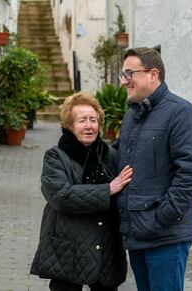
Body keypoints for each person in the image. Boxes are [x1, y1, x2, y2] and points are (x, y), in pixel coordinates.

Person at [115, 47, 192, 291]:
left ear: (152, 74)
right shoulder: (132, 115)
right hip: (137, 232)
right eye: (122, 75)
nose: (124, 81)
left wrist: (162, 217)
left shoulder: (181, 113)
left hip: (166, 235)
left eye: (129, 74)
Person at [30, 92, 133, 291]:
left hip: (106, 248)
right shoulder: (55, 157)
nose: (89, 125)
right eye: (82, 120)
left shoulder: (111, 156)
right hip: (68, 249)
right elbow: (61, 197)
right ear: (69, 125)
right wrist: (108, 189)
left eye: (93, 120)